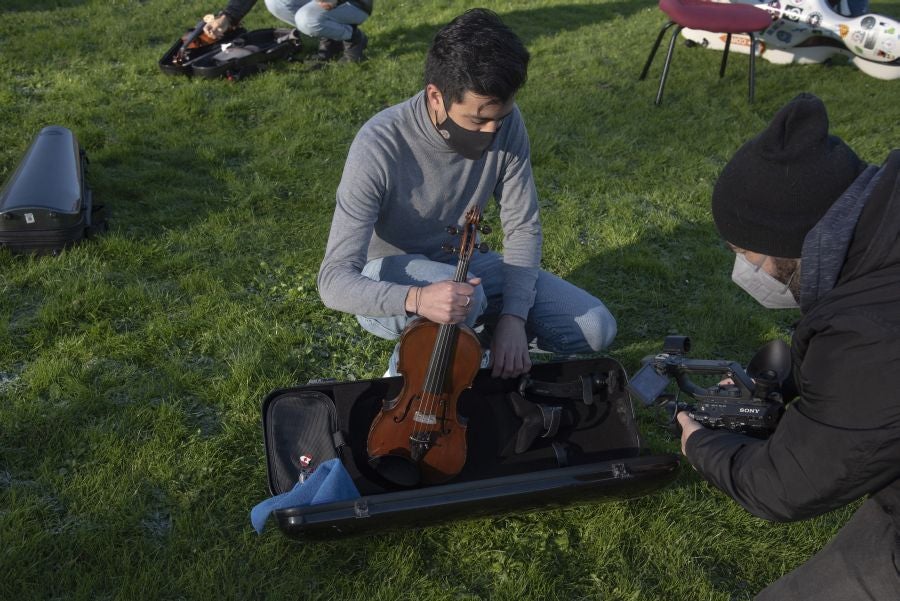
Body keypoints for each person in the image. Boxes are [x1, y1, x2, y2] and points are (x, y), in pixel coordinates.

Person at [677, 93, 900, 600]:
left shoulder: (870, 335)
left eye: (744, 252)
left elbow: (788, 485)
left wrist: (701, 445)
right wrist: (796, 380)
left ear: (793, 243)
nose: (744, 269)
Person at [317, 8, 617, 380]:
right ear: (436, 97)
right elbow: (332, 281)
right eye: (478, 120)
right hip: (392, 281)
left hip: (467, 269)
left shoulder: (505, 121)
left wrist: (513, 319)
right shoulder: (379, 144)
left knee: (596, 327)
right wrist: (418, 299)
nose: (493, 132)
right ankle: (407, 377)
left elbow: (522, 225)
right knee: (468, 299)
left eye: (500, 119)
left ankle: (477, 346)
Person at [202, 0, 372, 63]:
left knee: (307, 20)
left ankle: (353, 38)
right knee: (276, 2)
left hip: (355, 4)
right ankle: (330, 37)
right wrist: (228, 17)